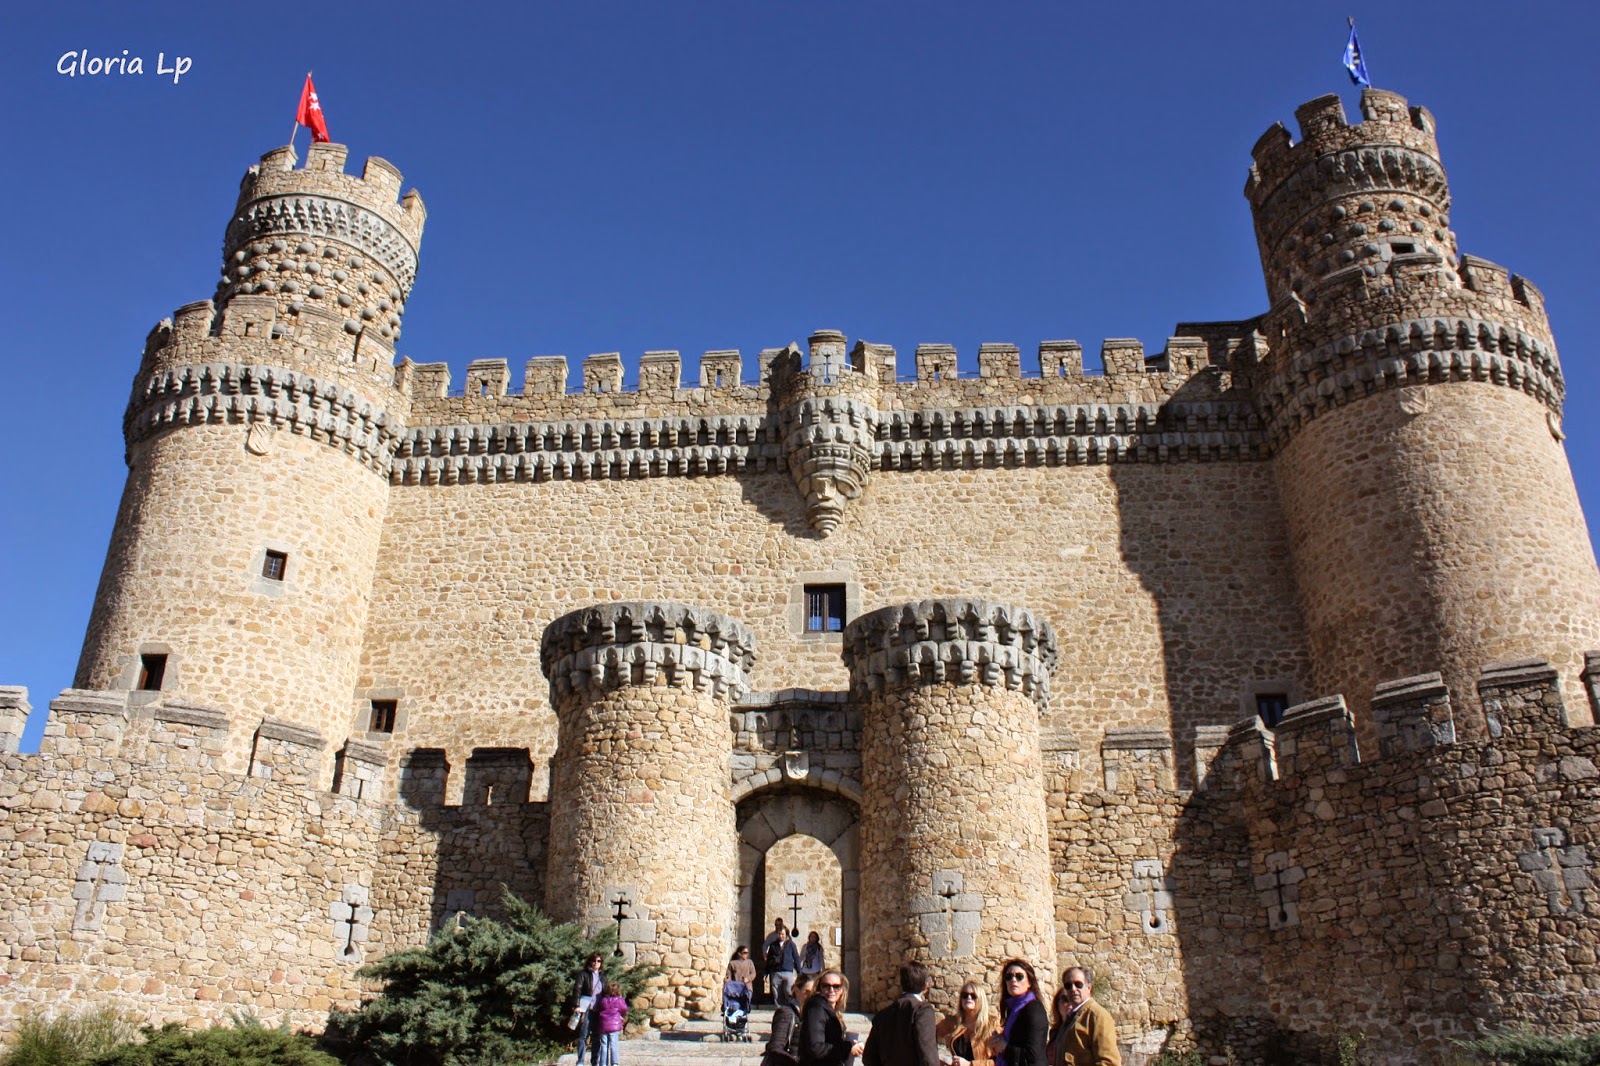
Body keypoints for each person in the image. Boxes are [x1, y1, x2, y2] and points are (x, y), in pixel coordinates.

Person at [863, 960, 939, 1066]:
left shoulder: (882, 1015)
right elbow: (927, 1055)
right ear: (925, 986)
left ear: (901, 983)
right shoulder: (922, 1012)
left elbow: (868, 1057)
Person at [1045, 967, 1120, 1066]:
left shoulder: (1097, 1016)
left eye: (1078, 984)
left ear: (1089, 988)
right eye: (1068, 985)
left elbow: (1108, 1062)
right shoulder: (1070, 1018)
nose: (1073, 989)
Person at [988, 959, 1047, 1066]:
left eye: (1019, 976)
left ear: (1029, 982)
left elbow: (1033, 1056)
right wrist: (997, 1043)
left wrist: (1004, 1047)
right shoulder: (1013, 1009)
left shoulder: (1033, 1009)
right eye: (1008, 977)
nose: (1013, 980)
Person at [801, 968, 864, 1064]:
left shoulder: (830, 1011)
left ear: (842, 990)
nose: (831, 990)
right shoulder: (817, 1008)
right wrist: (847, 1048)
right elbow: (815, 1047)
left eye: (836, 986)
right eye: (826, 986)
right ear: (819, 988)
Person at [937, 980, 998, 1066]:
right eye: (965, 995)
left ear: (981, 999)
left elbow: (1001, 1061)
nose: (968, 998)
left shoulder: (992, 1024)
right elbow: (928, 1035)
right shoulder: (953, 1022)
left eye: (973, 996)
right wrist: (941, 1057)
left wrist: (970, 1064)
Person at [763, 972, 817, 1066]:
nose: (811, 996)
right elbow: (775, 1048)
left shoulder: (813, 1015)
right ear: (796, 990)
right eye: (807, 992)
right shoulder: (786, 1013)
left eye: (815, 993)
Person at [572, 953, 606, 1066]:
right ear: (590, 962)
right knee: (583, 1036)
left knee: (597, 1038)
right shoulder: (583, 974)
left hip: (598, 1011)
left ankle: (594, 1062)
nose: (596, 963)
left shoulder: (603, 978)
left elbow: (606, 993)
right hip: (586, 1009)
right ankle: (580, 1061)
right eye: (594, 961)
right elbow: (577, 989)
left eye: (599, 961)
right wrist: (576, 1005)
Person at [767, 925, 803, 1011]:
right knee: (777, 993)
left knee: (788, 991)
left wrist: (799, 972)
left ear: (786, 934)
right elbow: (769, 959)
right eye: (779, 934)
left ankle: (791, 1009)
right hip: (776, 971)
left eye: (783, 934)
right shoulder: (773, 945)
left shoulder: (791, 944)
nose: (781, 936)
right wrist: (766, 972)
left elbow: (796, 958)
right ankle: (780, 1010)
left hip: (788, 971)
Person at [594, 980, 629, 1066]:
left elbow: (598, 1008)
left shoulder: (603, 1000)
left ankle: (603, 1063)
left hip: (603, 1025)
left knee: (604, 1045)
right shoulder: (618, 1000)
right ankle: (614, 1063)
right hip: (614, 1025)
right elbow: (624, 1009)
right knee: (613, 1044)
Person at [727, 946, 757, 1018]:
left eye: (747, 953)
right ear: (739, 954)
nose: (746, 955)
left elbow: (753, 973)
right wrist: (728, 981)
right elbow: (729, 975)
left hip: (747, 987)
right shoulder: (732, 963)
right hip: (735, 988)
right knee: (736, 1005)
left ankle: (742, 1019)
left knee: (745, 1004)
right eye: (745, 953)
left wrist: (748, 979)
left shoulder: (749, 962)